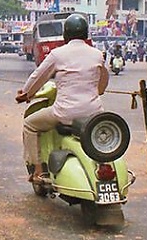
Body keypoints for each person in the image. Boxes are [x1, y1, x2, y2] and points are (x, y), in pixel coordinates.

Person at [15, 14, 108, 184]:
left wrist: (26, 94)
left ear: (65, 34)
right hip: (94, 114)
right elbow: (102, 87)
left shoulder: (57, 54)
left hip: (64, 114)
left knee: (29, 124)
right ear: (86, 34)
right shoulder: (97, 55)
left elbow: (38, 77)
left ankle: (37, 171)